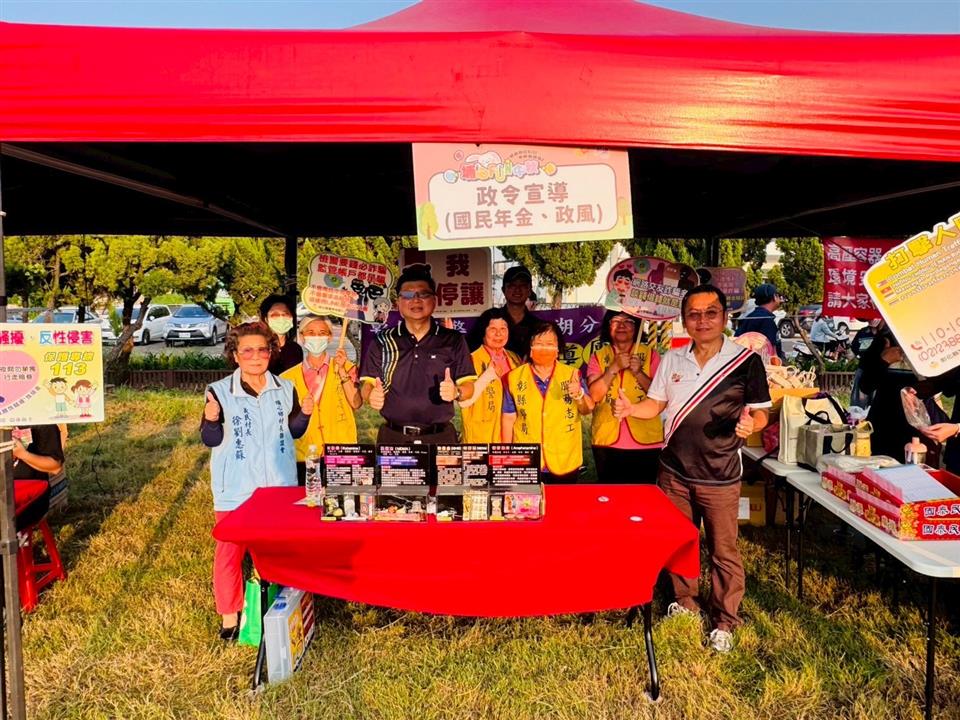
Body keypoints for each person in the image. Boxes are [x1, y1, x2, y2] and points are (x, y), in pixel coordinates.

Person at [613, 284, 770, 653]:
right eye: (694, 315)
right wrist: (631, 410)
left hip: (720, 474)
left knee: (723, 549)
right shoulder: (672, 359)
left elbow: (762, 412)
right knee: (680, 542)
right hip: (674, 473)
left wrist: (753, 424)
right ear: (685, 321)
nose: (702, 321)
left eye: (710, 313)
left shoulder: (746, 361)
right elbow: (656, 405)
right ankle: (685, 602)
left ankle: (725, 619)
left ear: (724, 317)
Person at [201, 321, 312, 641]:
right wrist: (210, 419)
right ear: (235, 355)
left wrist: (304, 414)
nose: (255, 356)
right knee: (229, 552)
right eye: (246, 350)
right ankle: (230, 616)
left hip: (277, 486)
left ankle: (279, 607)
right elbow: (211, 439)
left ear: (270, 353)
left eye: (262, 350)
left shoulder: (286, 388)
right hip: (235, 487)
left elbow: (293, 432)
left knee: (279, 549)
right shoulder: (218, 391)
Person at [360, 264, 476, 444]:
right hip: (393, 437)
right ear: (398, 303)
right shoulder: (382, 340)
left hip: (441, 438)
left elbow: (468, 386)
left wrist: (456, 391)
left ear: (434, 300)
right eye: (407, 295)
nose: (415, 300)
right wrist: (370, 396)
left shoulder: (453, 339)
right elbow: (367, 385)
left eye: (423, 294)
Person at [501, 321, 595, 483]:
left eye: (550, 344)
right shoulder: (514, 378)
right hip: (527, 459)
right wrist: (507, 455)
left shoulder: (572, 374)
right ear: (530, 347)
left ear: (558, 348)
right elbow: (508, 419)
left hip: (564, 459)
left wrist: (579, 394)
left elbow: (588, 409)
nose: (544, 349)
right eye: (539, 344)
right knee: (528, 500)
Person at [281, 315, 362, 484]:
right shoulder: (287, 378)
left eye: (322, 333)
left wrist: (342, 371)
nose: (316, 337)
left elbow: (356, 403)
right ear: (302, 337)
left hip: (341, 452)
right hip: (304, 455)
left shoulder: (346, 367)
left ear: (330, 337)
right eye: (311, 333)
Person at [586, 310, 664, 483]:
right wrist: (613, 367)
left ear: (636, 327)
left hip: (647, 439)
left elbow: (660, 396)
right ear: (608, 326)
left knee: (644, 494)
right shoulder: (598, 356)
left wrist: (638, 372)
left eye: (628, 321)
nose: (621, 325)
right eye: (616, 321)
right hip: (606, 440)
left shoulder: (651, 355)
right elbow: (594, 396)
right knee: (610, 494)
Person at [859, 323, 928, 462]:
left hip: (914, 425)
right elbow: (865, 386)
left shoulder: (929, 342)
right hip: (882, 424)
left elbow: (944, 386)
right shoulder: (883, 341)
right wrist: (884, 360)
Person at [457, 308, 522, 444]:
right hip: (481, 437)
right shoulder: (471, 360)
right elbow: (463, 400)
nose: (498, 334)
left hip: (512, 435)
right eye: (493, 329)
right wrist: (487, 376)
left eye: (503, 329)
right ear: (483, 331)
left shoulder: (515, 359)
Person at [469, 265, 539, 359]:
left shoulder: (538, 326)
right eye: (512, 285)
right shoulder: (488, 318)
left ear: (529, 290)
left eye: (522, 285)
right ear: (503, 289)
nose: (517, 289)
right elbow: (471, 351)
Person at [734, 283, 783, 360]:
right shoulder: (766, 320)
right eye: (778, 295)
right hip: (762, 365)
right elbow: (772, 353)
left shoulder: (751, 317)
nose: (780, 298)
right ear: (774, 297)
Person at [259, 294, 303, 375]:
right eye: (275, 315)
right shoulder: (258, 348)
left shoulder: (295, 349)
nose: (281, 318)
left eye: (285, 314)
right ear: (266, 319)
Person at [850, 319, 881, 408]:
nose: (873, 320)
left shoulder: (885, 334)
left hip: (879, 371)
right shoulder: (862, 332)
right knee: (858, 401)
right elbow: (854, 350)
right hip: (863, 368)